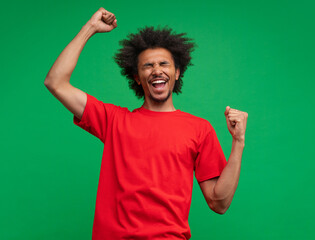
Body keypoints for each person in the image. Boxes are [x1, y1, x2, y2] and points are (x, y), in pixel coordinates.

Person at [44, 7, 248, 240]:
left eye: (164, 64)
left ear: (177, 72)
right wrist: (90, 28)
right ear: (136, 77)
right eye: (148, 66)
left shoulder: (199, 129)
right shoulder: (114, 121)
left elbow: (218, 202)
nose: (157, 71)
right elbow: (55, 81)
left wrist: (238, 142)